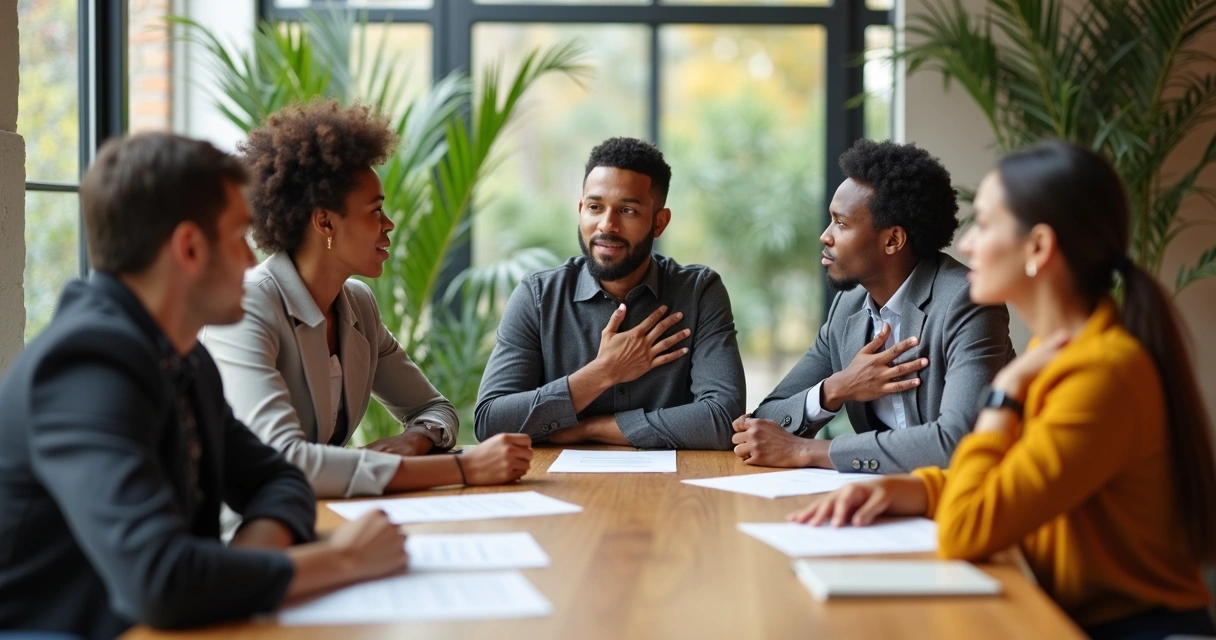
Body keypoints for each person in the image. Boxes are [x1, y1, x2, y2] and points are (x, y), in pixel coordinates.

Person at [789, 141, 1216, 640]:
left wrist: (1003, 396)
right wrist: (908, 488)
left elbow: (968, 527)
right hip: (1063, 613)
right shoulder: (1064, 353)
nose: (966, 244)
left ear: (1037, 248)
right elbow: (1010, 478)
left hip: (1130, 629)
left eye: (986, 225)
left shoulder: (1099, 374)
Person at [0, 133, 409, 639]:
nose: (249, 260)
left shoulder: (181, 355)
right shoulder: (84, 366)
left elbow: (280, 481)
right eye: (239, 236)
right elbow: (162, 580)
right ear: (189, 248)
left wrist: (235, 573)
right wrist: (344, 560)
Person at [201, 100, 532, 498]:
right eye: (375, 211)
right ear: (325, 221)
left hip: (326, 512)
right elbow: (283, 461)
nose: (388, 225)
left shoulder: (357, 305)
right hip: (247, 530)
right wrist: (463, 467)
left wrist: (414, 441)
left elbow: (435, 409)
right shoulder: (250, 307)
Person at [736, 140, 1014, 473]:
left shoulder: (966, 302)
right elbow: (768, 420)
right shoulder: (848, 307)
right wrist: (836, 388)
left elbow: (955, 443)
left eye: (841, 223)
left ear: (893, 240)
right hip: (880, 499)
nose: (825, 236)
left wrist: (807, 451)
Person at [475, 137, 745, 449]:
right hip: (557, 490)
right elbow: (490, 423)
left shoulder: (699, 292)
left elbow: (724, 419)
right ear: (580, 210)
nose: (607, 225)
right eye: (594, 207)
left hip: (673, 492)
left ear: (659, 222)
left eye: (627, 210)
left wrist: (591, 428)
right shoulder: (538, 297)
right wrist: (603, 372)